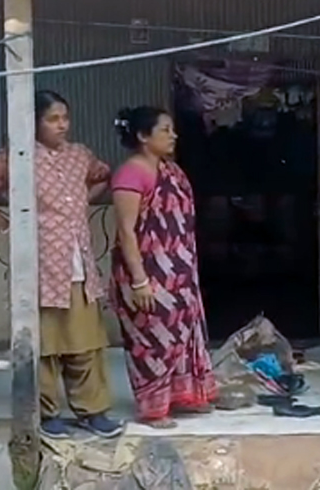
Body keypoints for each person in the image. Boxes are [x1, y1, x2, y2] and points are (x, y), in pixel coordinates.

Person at [0, 90, 123, 439]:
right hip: (40, 269)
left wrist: (81, 204)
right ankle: (48, 414)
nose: (62, 125)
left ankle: (93, 411)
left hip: (80, 266)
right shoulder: (17, 158)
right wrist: (1, 220)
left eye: (65, 118)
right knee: (45, 346)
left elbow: (104, 175)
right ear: (34, 123)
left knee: (87, 342)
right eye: (53, 119)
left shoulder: (80, 155)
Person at [110, 106, 218, 428]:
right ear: (143, 136)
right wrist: (139, 281)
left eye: (172, 129)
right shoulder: (132, 173)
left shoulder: (170, 170)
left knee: (182, 336)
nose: (173, 135)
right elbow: (127, 231)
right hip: (148, 272)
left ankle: (181, 397)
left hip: (178, 272)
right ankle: (152, 407)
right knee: (153, 339)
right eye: (165, 130)